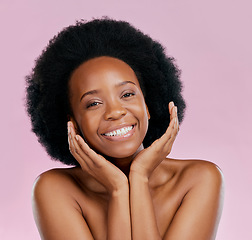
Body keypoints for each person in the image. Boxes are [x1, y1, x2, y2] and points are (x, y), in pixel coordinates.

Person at [26, 18, 224, 240]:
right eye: (93, 103)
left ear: (147, 106)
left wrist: (139, 178)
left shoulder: (198, 179)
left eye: (127, 94)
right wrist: (118, 189)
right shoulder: (55, 190)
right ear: (72, 123)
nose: (115, 111)